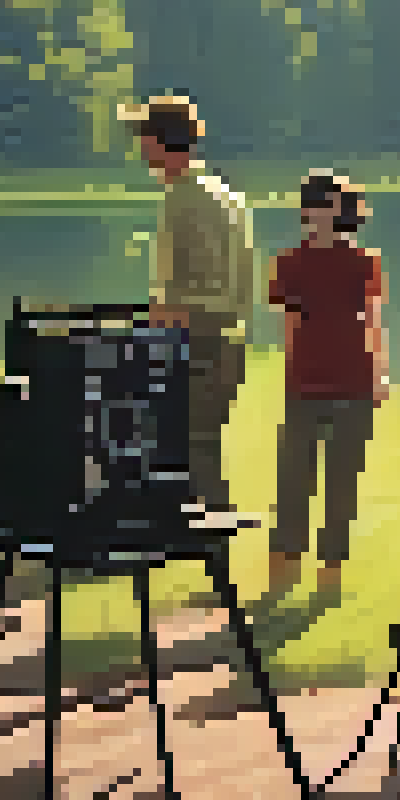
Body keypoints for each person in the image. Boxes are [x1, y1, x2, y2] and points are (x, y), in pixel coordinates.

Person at [116, 94, 256, 512]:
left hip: (200, 346)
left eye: (143, 136)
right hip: (228, 345)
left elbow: (207, 293)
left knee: (191, 451)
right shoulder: (225, 194)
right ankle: (209, 551)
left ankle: (206, 546)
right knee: (202, 448)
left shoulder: (184, 199)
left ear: (160, 141)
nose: (139, 146)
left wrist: (157, 320)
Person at [264, 171, 386, 598]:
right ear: (303, 211)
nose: (316, 212)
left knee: (341, 482)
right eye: (309, 204)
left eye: (325, 204)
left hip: (354, 383)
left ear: (340, 210)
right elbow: (290, 324)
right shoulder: (290, 261)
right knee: (293, 479)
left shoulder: (363, 260)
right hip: (304, 384)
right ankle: (282, 572)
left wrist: (380, 375)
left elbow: (373, 321)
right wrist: (290, 374)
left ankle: (329, 576)